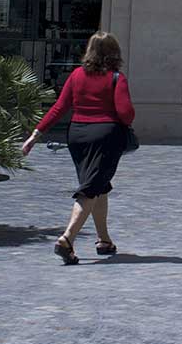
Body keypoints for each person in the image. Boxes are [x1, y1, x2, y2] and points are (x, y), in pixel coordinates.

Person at [22, 31, 135, 264]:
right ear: (114, 53)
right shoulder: (116, 78)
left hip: (77, 135)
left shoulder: (76, 75)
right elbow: (125, 113)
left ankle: (103, 240)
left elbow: (59, 108)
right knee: (90, 188)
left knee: (99, 185)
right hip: (105, 137)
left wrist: (35, 134)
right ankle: (67, 238)